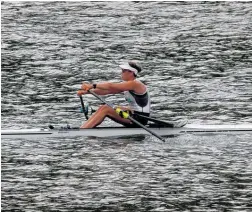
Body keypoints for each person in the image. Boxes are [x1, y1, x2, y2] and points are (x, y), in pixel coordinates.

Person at [77, 61, 150, 128]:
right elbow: (107, 91)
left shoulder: (135, 84)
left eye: (123, 71)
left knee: (106, 109)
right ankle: (84, 127)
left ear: (131, 72)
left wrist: (92, 85)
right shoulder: (128, 85)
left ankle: (83, 131)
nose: (121, 73)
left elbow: (110, 85)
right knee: (103, 107)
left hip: (140, 119)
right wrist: (86, 92)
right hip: (134, 114)